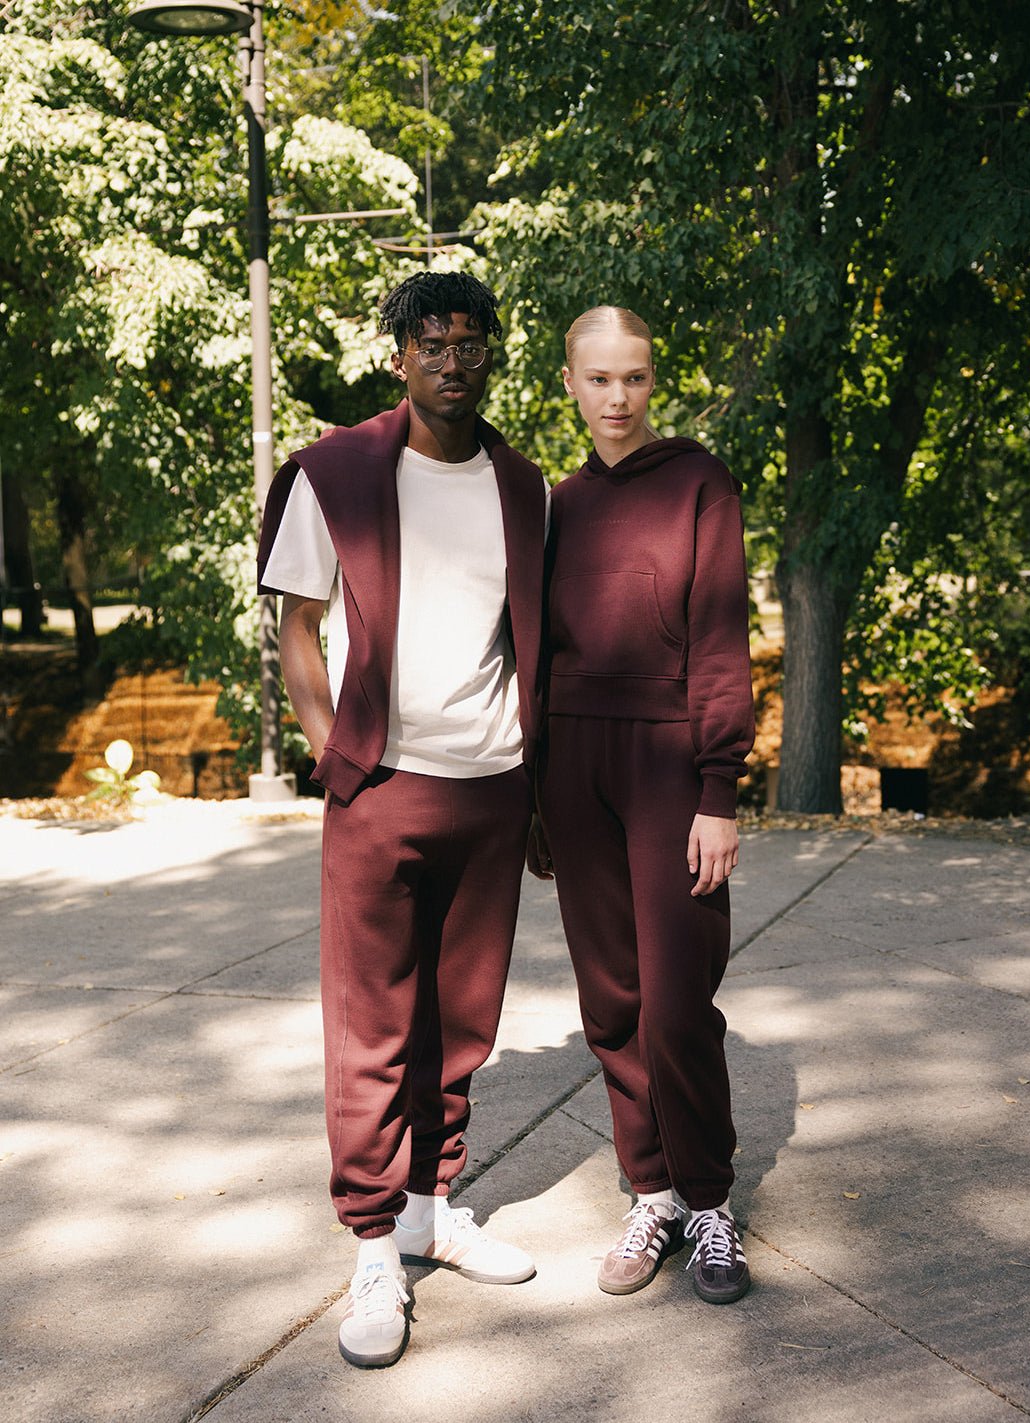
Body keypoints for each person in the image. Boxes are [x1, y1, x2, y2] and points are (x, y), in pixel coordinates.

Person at [257, 271, 549, 1369]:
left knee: (462, 1022)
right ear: (398, 358)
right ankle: (374, 1246)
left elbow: (533, 644)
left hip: (491, 788)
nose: (451, 360)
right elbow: (298, 628)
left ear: (490, 357)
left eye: (470, 342)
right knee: (373, 1027)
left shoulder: (525, 489)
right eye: (430, 342)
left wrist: (538, 793)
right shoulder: (333, 475)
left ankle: (433, 1206)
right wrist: (335, 755)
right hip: (379, 786)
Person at [530, 305, 755, 1305]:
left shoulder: (697, 481)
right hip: (573, 763)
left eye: (633, 377)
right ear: (568, 385)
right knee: (612, 1003)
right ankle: (652, 1191)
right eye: (597, 378)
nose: (616, 396)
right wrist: (535, 791)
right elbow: (532, 655)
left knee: (673, 1002)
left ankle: (709, 1200)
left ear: (651, 381)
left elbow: (718, 638)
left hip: (670, 761)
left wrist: (718, 789)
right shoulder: (554, 503)